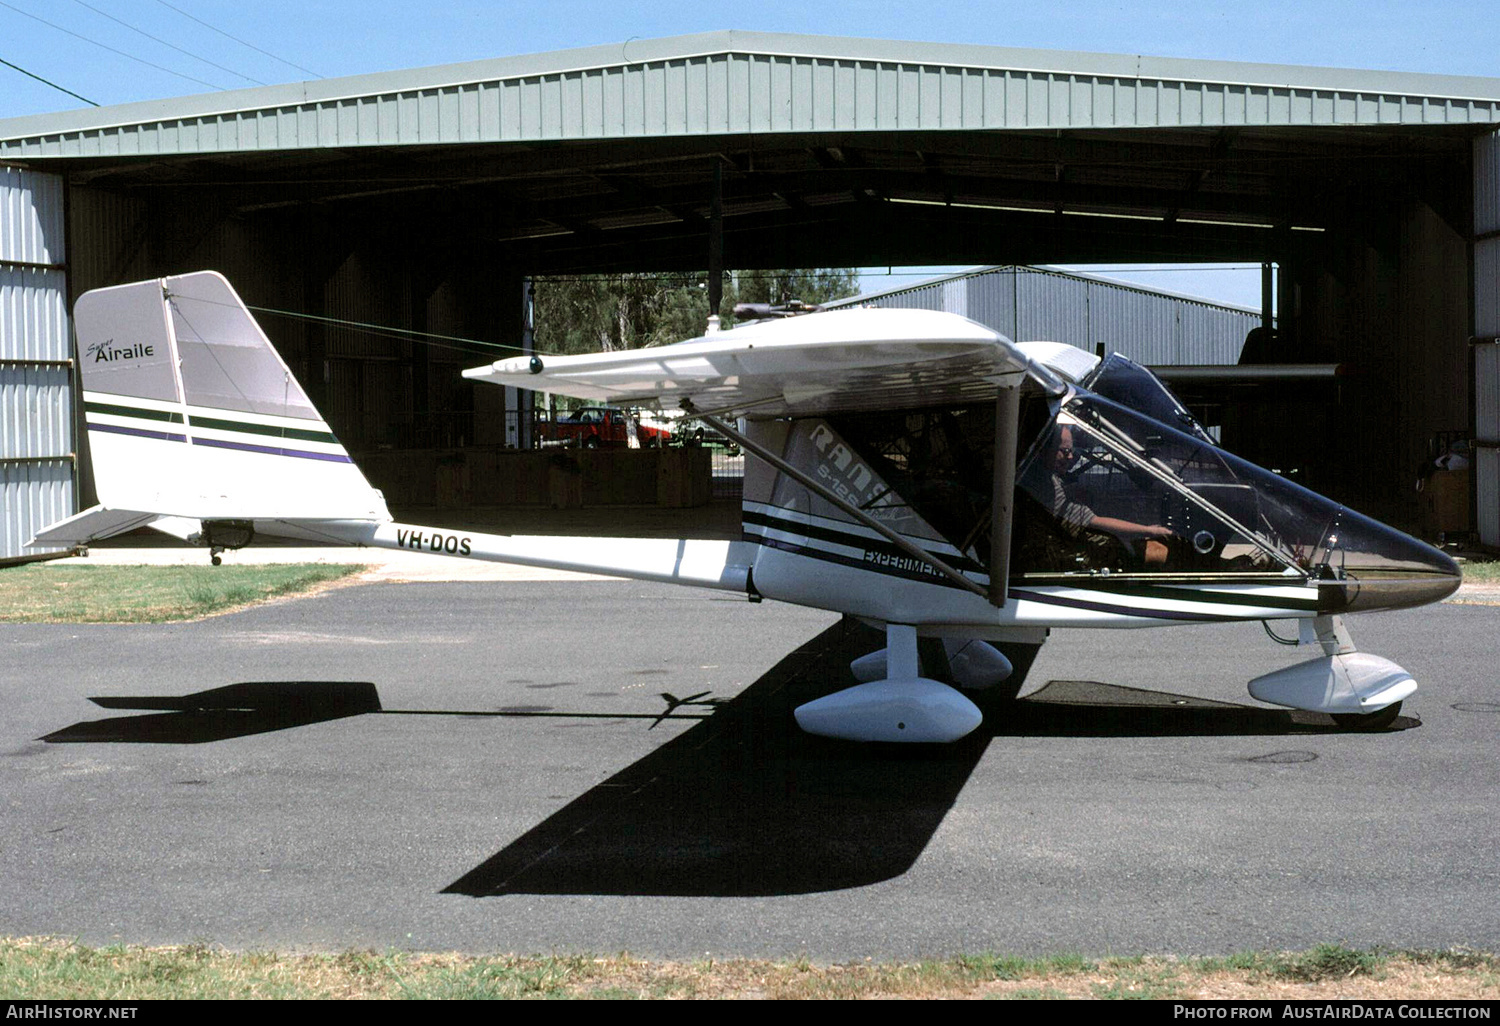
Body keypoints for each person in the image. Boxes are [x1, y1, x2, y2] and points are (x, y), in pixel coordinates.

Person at [1046, 425, 1174, 566]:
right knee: (1156, 551)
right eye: (1065, 451)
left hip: (1077, 539)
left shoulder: (1050, 477)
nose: (1070, 456)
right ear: (1047, 449)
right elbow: (1096, 522)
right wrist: (1149, 530)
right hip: (1076, 551)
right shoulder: (1049, 486)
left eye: (1071, 451)